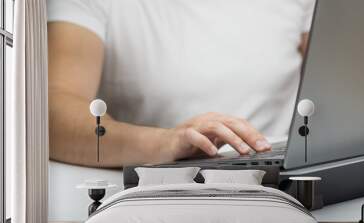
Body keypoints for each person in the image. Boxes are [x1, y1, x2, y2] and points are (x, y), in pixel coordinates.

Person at [47, 0, 315, 168]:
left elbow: (336, 84)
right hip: (159, 186)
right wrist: (164, 144)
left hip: (285, 175)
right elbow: (52, 116)